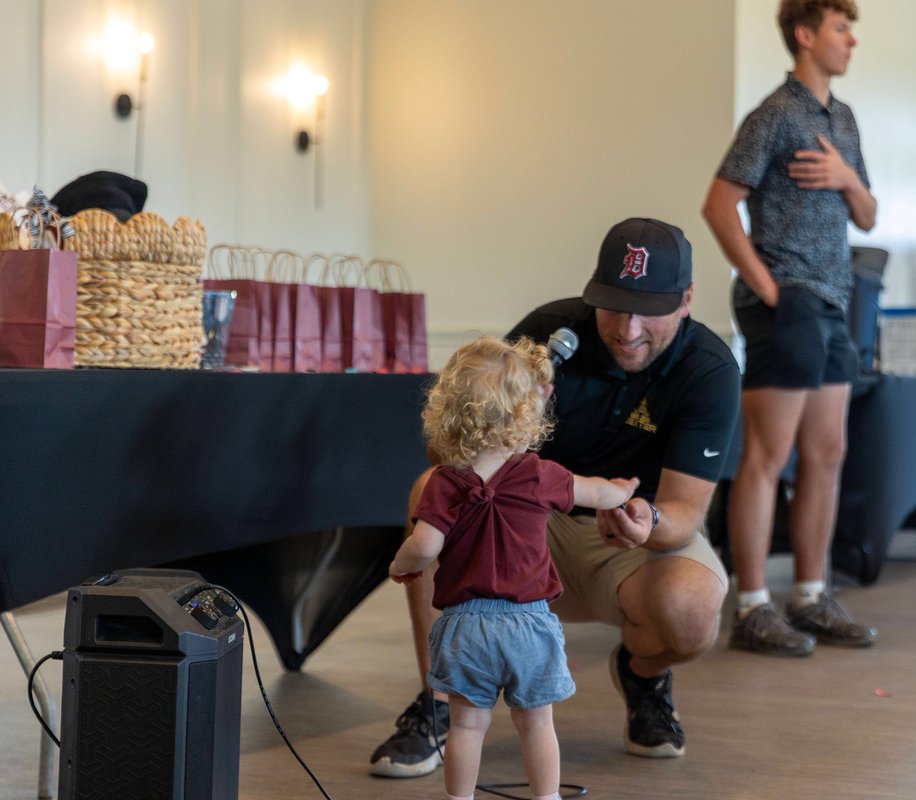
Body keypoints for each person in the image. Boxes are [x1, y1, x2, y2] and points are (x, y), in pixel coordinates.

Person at [370, 217, 741, 779]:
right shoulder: (549, 335)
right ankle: (438, 702)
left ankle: (642, 676)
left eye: (649, 309)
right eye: (614, 305)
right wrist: (513, 414)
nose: (628, 328)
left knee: (691, 613)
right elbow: (447, 452)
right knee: (431, 493)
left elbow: (685, 514)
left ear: (686, 300)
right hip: (526, 524)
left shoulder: (707, 369)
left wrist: (647, 520)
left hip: (626, 537)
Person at [701, 0, 878, 657]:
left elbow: (869, 216)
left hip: (834, 300)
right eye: (840, 28)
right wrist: (770, 287)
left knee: (827, 454)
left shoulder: (845, 121)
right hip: (789, 301)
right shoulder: (776, 114)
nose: (851, 40)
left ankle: (809, 595)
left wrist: (847, 177)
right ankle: (752, 606)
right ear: (806, 36)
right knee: (768, 459)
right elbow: (719, 206)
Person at [388, 335, 638, 800]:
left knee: (466, 725)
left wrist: (402, 565)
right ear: (527, 413)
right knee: (537, 723)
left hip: (466, 626)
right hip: (529, 623)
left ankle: (459, 799)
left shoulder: (444, 483)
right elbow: (597, 493)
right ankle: (546, 797)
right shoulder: (540, 474)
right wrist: (623, 490)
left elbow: (424, 544)